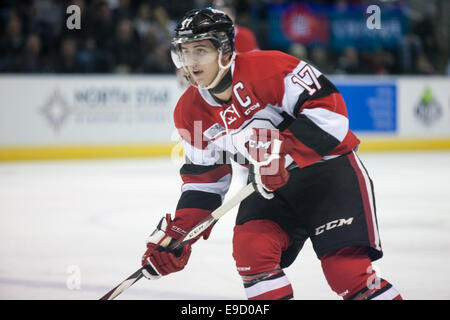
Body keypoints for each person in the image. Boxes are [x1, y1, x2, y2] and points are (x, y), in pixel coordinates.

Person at [141, 8, 403, 300]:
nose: (191, 61)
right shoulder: (189, 112)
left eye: (200, 50)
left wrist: (282, 151)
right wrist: (180, 233)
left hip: (328, 174)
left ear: (226, 50)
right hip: (268, 187)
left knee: (345, 273)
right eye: (185, 52)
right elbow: (205, 181)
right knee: (252, 255)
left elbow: (332, 114)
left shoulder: (270, 67)